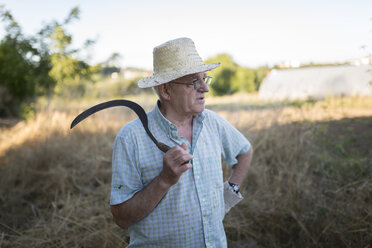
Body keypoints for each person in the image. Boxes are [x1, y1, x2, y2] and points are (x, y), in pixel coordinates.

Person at [110, 37, 253, 248]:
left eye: (205, 79)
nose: (205, 88)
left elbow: (245, 151)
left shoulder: (212, 122)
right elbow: (122, 218)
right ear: (166, 90)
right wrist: (164, 180)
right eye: (194, 82)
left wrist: (228, 194)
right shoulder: (131, 138)